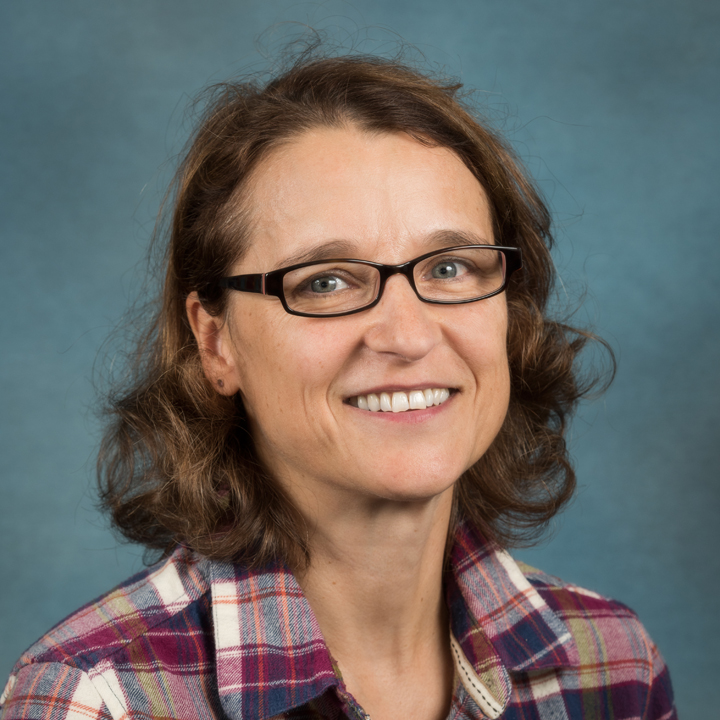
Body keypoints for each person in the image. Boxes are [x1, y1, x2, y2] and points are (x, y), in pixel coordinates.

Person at [0, 54, 676, 720]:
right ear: (216, 343)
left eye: (449, 267)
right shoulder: (98, 699)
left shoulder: (612, 668)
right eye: (325, 281)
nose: (408, 337)